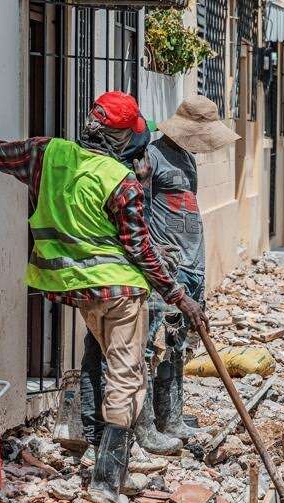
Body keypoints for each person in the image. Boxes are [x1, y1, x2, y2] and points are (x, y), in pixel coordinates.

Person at [0, 91, 207, 503]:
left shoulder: (45, 155)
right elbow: (141, 250)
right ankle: (106, 481)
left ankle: (90, 441)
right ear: (120, 139)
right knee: (127, 378)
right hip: (121, 291)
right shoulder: (120, 182)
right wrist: (181, 297)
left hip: (78, 290)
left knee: (103, 361)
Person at [81, 97, 238, 459]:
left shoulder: (186, 158)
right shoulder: (148, 157)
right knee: (147, 348)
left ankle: (172, 418)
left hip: (190, 265)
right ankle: (145, 429)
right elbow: (140, 214)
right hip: (163, 268)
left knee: (178, 343)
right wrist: (159, 260)